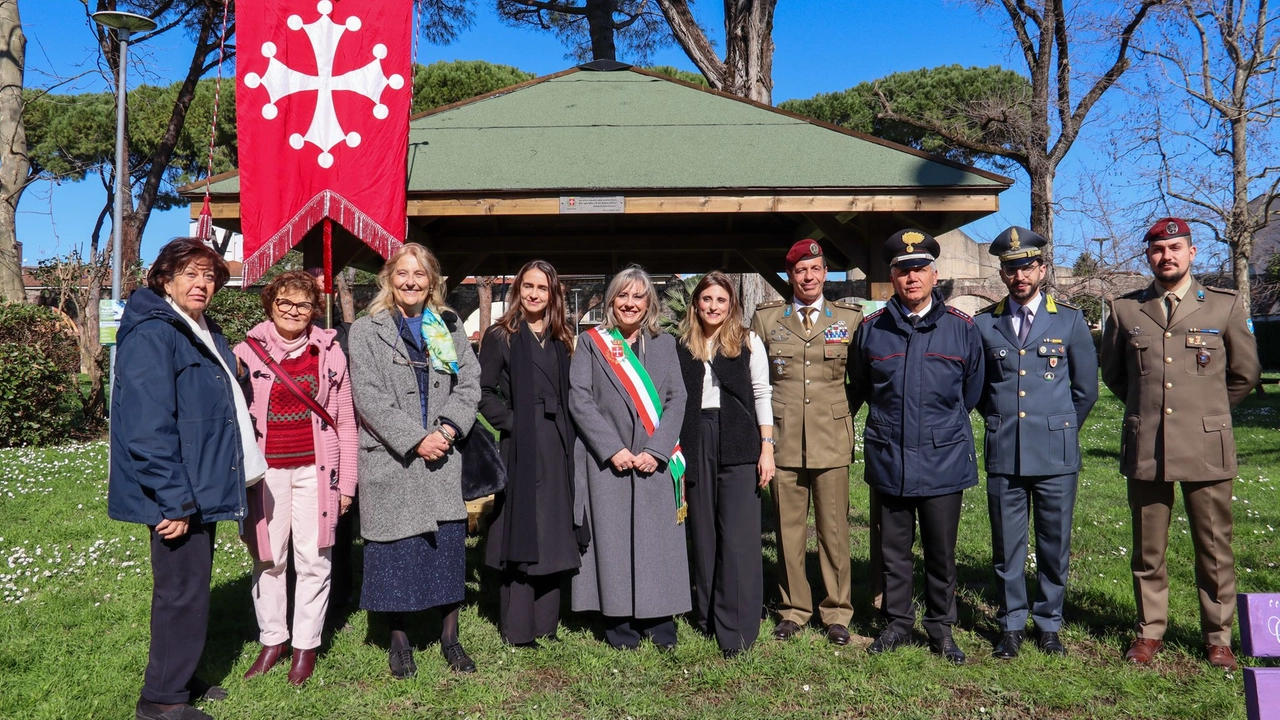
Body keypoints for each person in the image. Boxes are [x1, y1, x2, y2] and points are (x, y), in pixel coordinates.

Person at [108, 238, 267, 720]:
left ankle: (177, 675)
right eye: (191, 274)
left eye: (210, 276)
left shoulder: (197, 326)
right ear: (166, 278)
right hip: (180, 491)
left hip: (202, 481)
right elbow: (146, 426)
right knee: (179, 593)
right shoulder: (155, 332)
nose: (203, 284)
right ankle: (160, 702)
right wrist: (173, 501)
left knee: (190, 590)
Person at [1101, 217, 1261, 671]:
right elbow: (1115, 374)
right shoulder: (1126, 309)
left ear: (1192, 253)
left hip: (1206, 447)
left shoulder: (1224, 307)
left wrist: (1206, 412)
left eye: (1175, 247)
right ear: (1148, 257)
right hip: (1146, 446)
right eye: (1157, 249)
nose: (1166, 256)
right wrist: (1147, 410)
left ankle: (1218, 638)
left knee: (1214, 548)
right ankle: (1150, 631)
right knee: (1148, 549)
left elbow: (1245, 374)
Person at [847, 229, 984, 665]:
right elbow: (864, 385)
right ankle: (898, 622)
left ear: (934, 275)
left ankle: (942, 628)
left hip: (943, 457)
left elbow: (972, 391)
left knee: (942, 552)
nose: (912, 278)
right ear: (892, 276)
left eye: (920, 270)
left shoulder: (961, 329)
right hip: (891, 456)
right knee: (893, 550)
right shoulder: (872, 330)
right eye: (903, 271)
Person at [347, 243, 482, 677]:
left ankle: (450, 639)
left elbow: (470, 383)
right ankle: (399, 641)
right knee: (395, 555)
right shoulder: (367, 331)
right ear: (389, 278)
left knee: (445, 552)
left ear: (433, 281)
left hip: (442, 455)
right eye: (403, 273)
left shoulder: (447, 324)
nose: (411, 282)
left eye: (420, 274)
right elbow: (368, 397)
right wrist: (415, 439)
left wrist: (445, 431)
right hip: (394, 458)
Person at [973, 227, 1098, 659]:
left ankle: (1048, 623)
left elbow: (1085, 390)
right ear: (1003, 274)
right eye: (1011, 268)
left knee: (1053, 541)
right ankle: (1010, 624)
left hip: (1055, 452)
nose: (1019, 275)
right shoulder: (983, 323)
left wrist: (1060, 427)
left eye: (1027, 266)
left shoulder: (1070, 319)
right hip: (1005, 450)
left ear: (1042, 269)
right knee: (1007, 546)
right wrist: (1000, 422)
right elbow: (980, 388)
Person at [233, 270, 358, 685]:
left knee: (314, 557)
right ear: (270, 304)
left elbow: (345, 422)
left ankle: (305, 644)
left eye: (303, 304)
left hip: (315, 472)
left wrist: (347, 483)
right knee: (268, 557)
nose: (293, 311)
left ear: (313, 310)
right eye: (284, 302)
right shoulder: (246, 353)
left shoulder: (330, 353)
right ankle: (273, 640)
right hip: (264, 474)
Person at [569, 266, 691, 650]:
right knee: (614, 542)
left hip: (654, 460)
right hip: (610, 461)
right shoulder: (592, 342)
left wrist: (656, 451)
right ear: (611, 301)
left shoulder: (664, 344)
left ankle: (659, 621)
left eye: (638, 296)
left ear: (649, 302)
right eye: (623, 295)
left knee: (658, 540)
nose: (630, 303)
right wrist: (613, 450)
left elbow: (677, 399)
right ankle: (619, 623)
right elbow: (580, 398)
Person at [749, 240, 863, 646]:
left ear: (826, 272)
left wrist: (838, 412)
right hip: (782, 440)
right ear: (789, 276)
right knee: (788, 530)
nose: (809, 277)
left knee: (834, 530)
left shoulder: (849, 319)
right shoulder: (766, 320)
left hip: (831, 439)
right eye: (801, 271)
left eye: (815, 269)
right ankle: (794, 609)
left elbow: (860, 380)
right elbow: (757, 381)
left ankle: (836, 612)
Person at [479, 260, 585, 647]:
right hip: (521, 445)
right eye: (528, 287)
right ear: (518, 291)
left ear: (553, 293)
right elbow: (483, 391)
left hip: (559, 444)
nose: (534, 294)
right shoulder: (501, 335)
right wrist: (511, 420)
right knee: (523, 527)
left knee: (555, 530)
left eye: (542, 288)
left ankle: (546, 624)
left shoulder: (563, 338)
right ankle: (518, 628)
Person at [676, 271, 776, 659]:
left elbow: (762, 393)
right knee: (702, 533)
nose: (713, 307)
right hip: (695, 439)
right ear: (696, 303)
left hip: (738, 439)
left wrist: (766, 447)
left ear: (731, 304)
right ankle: (707, 617)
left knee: (738, 537)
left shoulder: (747, 341)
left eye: (721, 300)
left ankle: (736, 628)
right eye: (707, 300)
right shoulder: (682, 344)